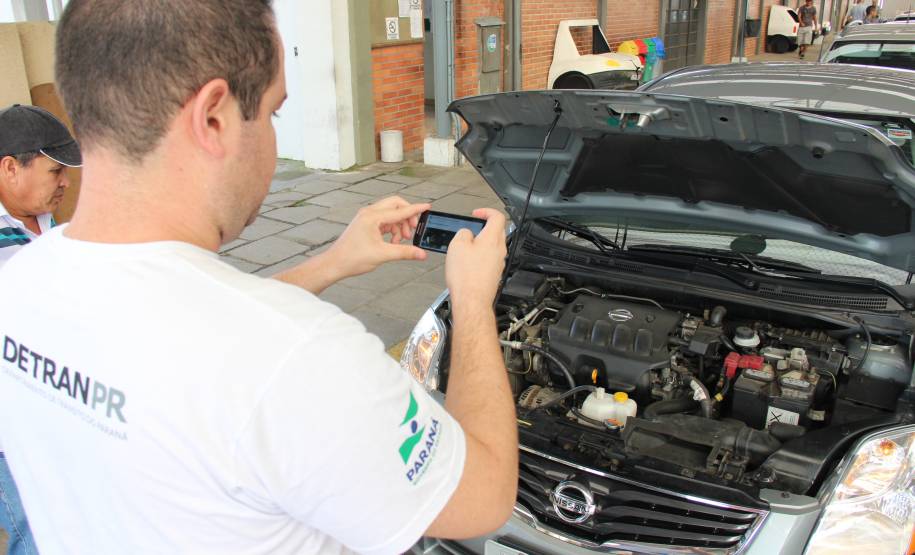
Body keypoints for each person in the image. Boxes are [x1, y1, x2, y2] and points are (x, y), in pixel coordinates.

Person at [0, 1, 517, 554]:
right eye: (272, 113)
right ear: (214, 117)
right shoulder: (304, 356)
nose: (273, 139)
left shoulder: (20, 282)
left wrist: (334, 261)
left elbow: (196, 340)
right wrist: (472, 300)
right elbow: (484, 497)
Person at [0, 103, 80, 555]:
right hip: (7, 430)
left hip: (52, 401)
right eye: (55, 171)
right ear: (11, 168)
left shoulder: (52, 224)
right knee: (44, 531)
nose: (66, 182)